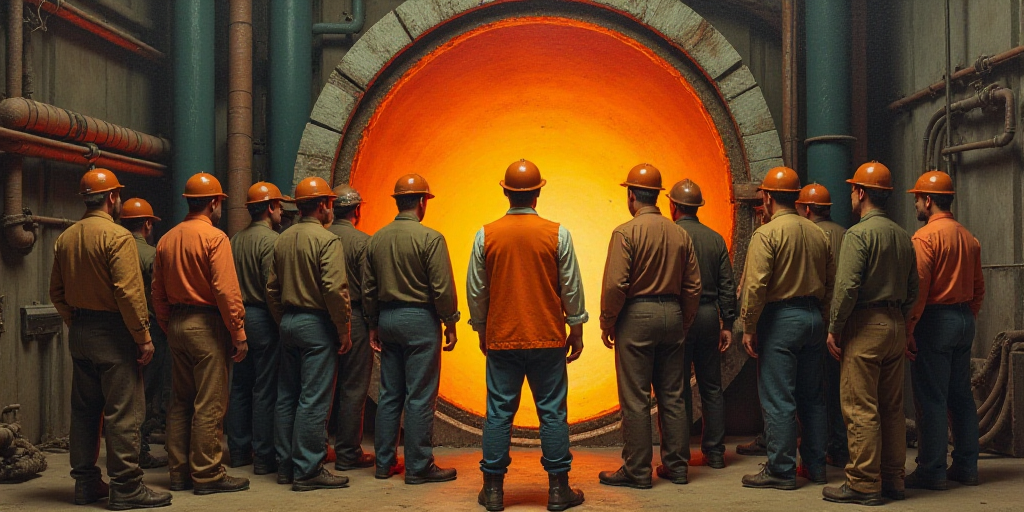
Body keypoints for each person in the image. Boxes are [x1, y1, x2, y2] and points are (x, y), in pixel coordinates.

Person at [468, 160, 587, 511]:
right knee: (552, 412)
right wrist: (576, 328)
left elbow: (477, 291)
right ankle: (557, 490)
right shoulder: (557, 233)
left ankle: (492, 491)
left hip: (502, 337)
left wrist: (482, 329)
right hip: (548, 337)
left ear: (505, 191)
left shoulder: (485, 234)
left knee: (498, 412)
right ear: (537, 193)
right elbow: (571, 287)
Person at [49, 169, 172, 509]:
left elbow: (56, 292)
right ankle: (127, 488)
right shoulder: (117, 237)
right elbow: (128, 294)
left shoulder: (66, 237)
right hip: (114, 333)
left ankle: (86, 484)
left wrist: (76, 320)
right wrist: (143, 337)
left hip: (81, 332)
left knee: (85, 412)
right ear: (113, 197)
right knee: (125, 411)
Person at [598, 164, 702, 489]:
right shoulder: (680, 233)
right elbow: (694, 286)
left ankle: (637, 470)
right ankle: (677, 466)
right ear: (658, 196)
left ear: (631, 195)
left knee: (636, 398)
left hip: (637, 317)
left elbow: (616, 285)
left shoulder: (625, 233)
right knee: (673, 395)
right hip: (672, 313)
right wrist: (682, 320)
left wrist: (608, 321)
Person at [822, 162, 918, 506]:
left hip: (865, 325)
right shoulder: (902, 235)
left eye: (852, 189)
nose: (851, 194)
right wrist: (903, 322)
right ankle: (893, 479)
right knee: (892, 408)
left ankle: (863, 483)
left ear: (861, 193)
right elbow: (912, 288)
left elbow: (847, 287)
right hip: (895, 325)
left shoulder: (858, 235)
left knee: (860, 407)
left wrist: (834, 328)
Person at [153, 172, 250, 495]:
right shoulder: (215, 238)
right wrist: (237, 331)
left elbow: (157, 292)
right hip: (207, 325)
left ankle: (179, 473)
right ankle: (208, 474)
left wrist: (169, 325)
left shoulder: (167, 239)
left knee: (180, 401)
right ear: (213, 203)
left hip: (178, 325)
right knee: (209, 403)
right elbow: (225, 290)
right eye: (219, 202)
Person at [737, 168, 833, 491]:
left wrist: (748, 326)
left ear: (766, 197)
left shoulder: (766, 234)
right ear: (797, 198)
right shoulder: (818, 233)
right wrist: (822, 317)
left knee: (779, 397)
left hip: (781, 320)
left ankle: (781, 469)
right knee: (813, 397)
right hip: (814, 320)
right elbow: (831, 283)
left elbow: (756, 286)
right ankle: (817, 466)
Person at [364, 173, 460, 484]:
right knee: (420, 395)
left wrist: (373, 324)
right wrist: (450, 322)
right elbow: (442, 288)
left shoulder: (376, 239)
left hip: (388, 320)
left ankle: (383, 463)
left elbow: (368, 288)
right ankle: (419, 466)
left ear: (397, 202)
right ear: (422, 202)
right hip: (420, 320)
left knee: (390, 393)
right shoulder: (430, 239)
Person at [267, 177, 352, 491]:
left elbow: (272, 289)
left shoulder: (283, 238)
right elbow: (333, 288)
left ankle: (286, 466)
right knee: (314, 399)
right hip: (316, 325)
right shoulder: (327, 240)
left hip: (288, 322)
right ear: (323, 205)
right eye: (330, 203)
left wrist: (283, 320)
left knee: (287, 396)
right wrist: (343, 329)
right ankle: (308, 470)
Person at [904, 170, 984, 490]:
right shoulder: (968, 237)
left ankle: (932, 470)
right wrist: (965, 316)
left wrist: (910, 327)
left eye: (917, 200)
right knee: (961, 397)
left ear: (928, 200)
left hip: (934, 321)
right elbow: (978, 288)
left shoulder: (924, 238)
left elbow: (919, 289)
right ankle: (966, 467)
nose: (915, 206)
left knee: (931, 398)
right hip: (963, 319)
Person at [668, 179, 736, 470]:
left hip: (679, 316)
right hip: (709, 315)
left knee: (677, 388)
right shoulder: (715, 239)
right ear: (697, 207)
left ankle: (679, 455)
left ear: (672, 205)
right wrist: (728, 322)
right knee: (712, 387)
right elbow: (727, 285)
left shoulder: (670, 236)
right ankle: (716, 452)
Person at [226, 182, 289, 474]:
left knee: (239, 386)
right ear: (269, 208)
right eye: (278, 206)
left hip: (237, 318)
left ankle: (238, 451)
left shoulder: (235, 239)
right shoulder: (272, 241)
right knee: (265, 389)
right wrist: (280, 323)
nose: (281, 211)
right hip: (263, 318)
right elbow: (272, 289)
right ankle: (264, 457)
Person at [795, 183, 849, 468]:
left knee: (815, 390)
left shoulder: (810, 234)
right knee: (840, 388)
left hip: (818, 321)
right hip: (845, 321)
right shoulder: (845, 233)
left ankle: (821, 445)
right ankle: (839, 447)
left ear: (806, 209)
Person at [327, 184, 376, 471]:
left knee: (320, 387)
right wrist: (372, 324)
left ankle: (317, 449)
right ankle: (347, 452)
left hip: (322, 320)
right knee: (353, 388)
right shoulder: (363, 242)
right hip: (355, 318)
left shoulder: (320, 238)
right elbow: (369, 289)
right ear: (357, 210)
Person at [120, 198, 170, 470]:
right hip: (150, 330)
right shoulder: (151, 255)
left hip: (119, 330)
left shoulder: (112, 249)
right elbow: (160, 296)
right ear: (148, 224)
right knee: (146, 393)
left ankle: (125, 450)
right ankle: (140, 451)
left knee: (123, 392)